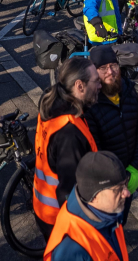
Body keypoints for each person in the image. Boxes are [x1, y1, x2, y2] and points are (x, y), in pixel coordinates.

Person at [34, 57, 101, 239]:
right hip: (61, 220)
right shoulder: (69, 134)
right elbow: (69, 191)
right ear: (79, 86)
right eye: (96, 81)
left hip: (43, 207)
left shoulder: (52, 104)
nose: (100, 85)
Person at [83, 45, 138, 220]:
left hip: (130, 175)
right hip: (108, 184)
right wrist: (118, 178)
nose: (110, 72)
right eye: (102, 68)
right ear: (94, 72)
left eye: (113, 65)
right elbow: (95, 151)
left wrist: (134, 168)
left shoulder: (130, 92)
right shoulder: (91, 106)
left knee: (123, 218)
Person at [43, 151, 131, 261]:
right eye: (118, 189)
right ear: (94, 196)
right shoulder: (71, 252)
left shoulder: (109, 213)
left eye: (125, 184)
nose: (127, 193)